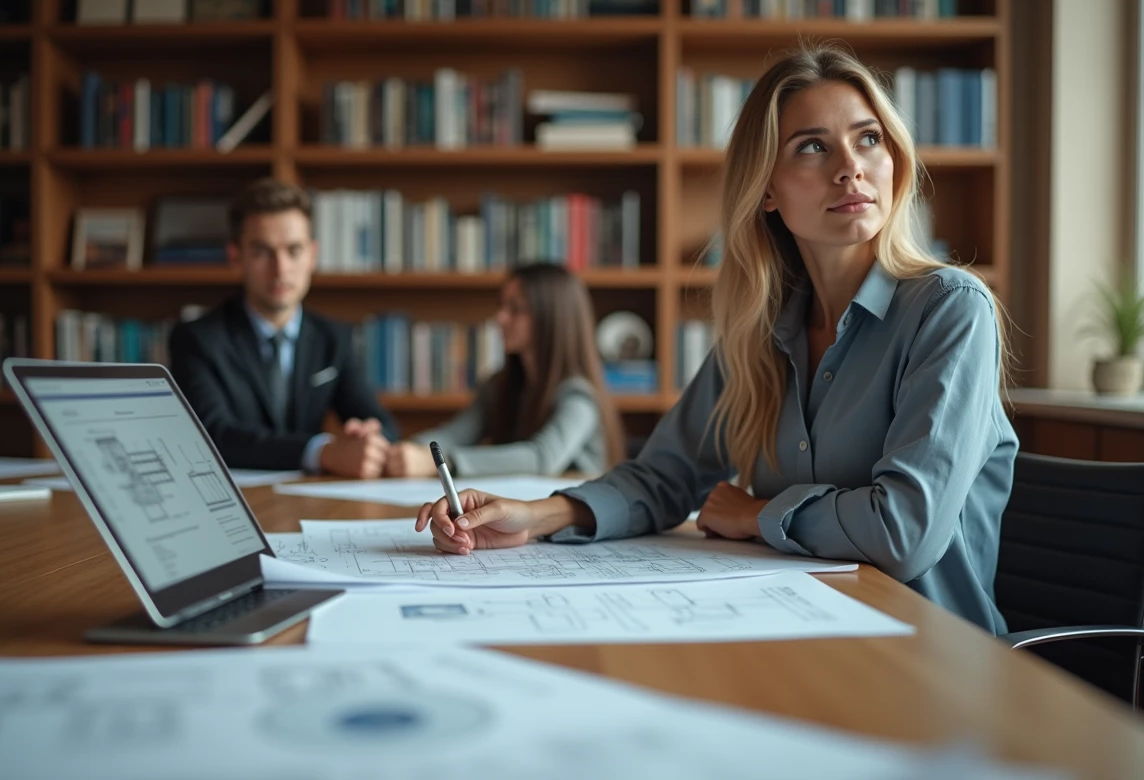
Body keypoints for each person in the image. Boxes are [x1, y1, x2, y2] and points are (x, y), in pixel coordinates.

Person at [415, 44, 1019, 634]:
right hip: (802, 627)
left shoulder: (950, 310)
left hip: (933, 655)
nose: (850, 166)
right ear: (766, 190)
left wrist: (759, 515)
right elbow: (664, 477)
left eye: (869, 138)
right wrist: (535, 517)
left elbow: (904, 532)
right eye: (812, 146)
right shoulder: (761, 330)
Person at [169, 179, 398, 476]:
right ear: (236, 257)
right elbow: (214, 435)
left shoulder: (334, 338)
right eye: (262, 251)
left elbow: (383, 425)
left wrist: (368, 440)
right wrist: (323, 452)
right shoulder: (196, 339)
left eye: (294, 250)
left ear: (312, 255)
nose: (281, 270)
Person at [385, 262, 625, 478]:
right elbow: (454, 435)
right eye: (501, 306)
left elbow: (542, 459)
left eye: (515, 309)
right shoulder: (501, 385)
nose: (500, 318)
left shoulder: (578, 395)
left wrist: (439, 463)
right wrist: (408, 451)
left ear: (552, 318)